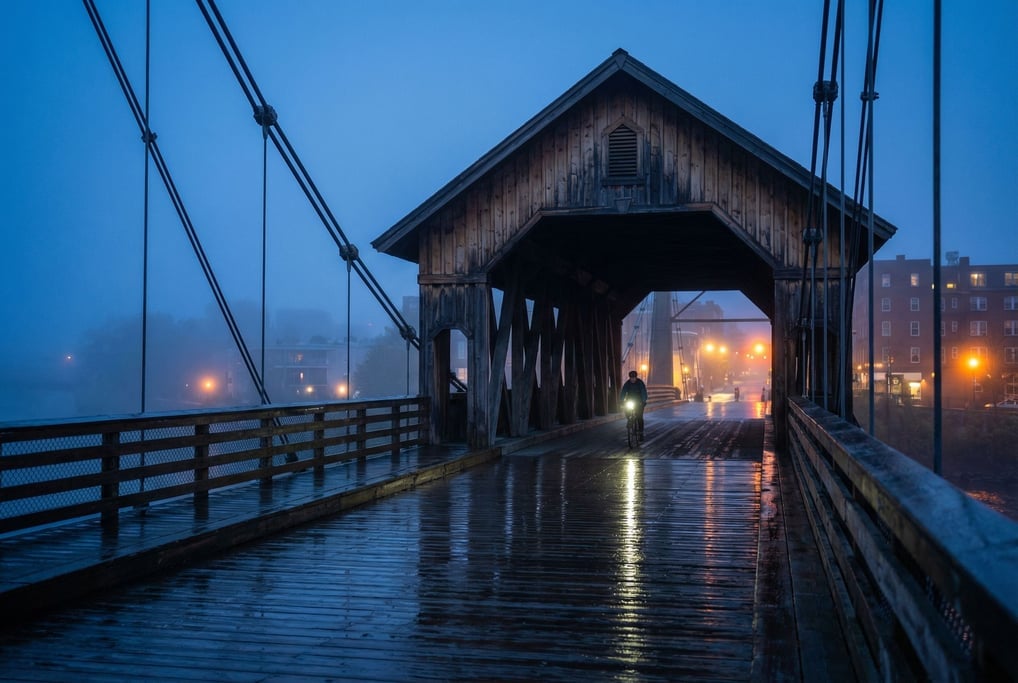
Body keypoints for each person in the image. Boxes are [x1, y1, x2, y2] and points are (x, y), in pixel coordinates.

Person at [620, 370, 648, 438]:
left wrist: (644, 401)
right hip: (630, 399)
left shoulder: (640, 383)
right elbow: (623, 391)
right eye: (631, 378)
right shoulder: (627, 383)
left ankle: (641, 433)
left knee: (639, 417)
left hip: (639, 401)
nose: (632, 379)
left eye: (634, 377)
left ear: (636, 377)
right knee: (626, 410)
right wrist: (621, 400)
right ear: (629, 378)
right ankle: (630, 420)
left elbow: (643, 392)